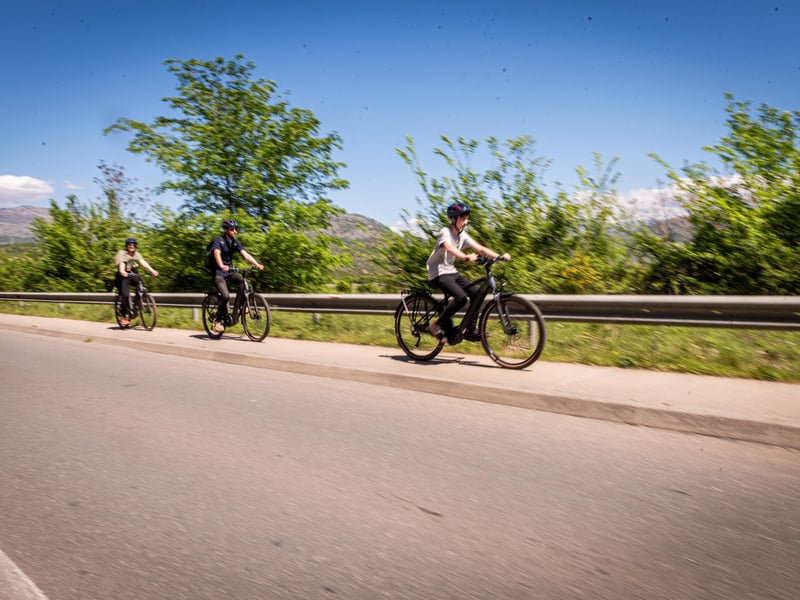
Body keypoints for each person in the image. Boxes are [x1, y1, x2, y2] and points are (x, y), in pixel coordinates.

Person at [425, 201, 510, 344]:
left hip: (451, 271)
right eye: (463, 218)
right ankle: (436, 325)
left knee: (477, 294)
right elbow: (448, 247)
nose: (466, 222)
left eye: (467, 218)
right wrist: (465, 257)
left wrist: (498, 256)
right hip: (437, 272)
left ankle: (470, 330)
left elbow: (480, 249)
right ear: (453, 219)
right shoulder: (445, 232)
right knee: (461, 298)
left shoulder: (462, 235)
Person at [210, 219, 264, 332]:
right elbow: (216, 253)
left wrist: (257, 264)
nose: (235, 231)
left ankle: (240, 307)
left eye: (235, 229)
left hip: (229, 271)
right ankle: (218, 320)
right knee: (225, 296)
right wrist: (221, 265)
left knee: (242, 280)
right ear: (225, 230)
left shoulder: (235, 242)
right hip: (218, 273)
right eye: (232, 229)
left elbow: (246, 255)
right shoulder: (219, 241)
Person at [114, 238, 159, 326]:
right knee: (125, 295)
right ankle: (123, 316)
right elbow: (122, 263)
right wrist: (122, 271)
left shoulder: (136, 254)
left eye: (133, 245)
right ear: (126, 246)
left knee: (139, 281)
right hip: (122, 276)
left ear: (135, 246)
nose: (131, 246)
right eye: (129, 245)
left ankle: (139, 300)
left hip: (131, 274)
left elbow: (143, 262)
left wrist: (152, 270)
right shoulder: (122, 253)